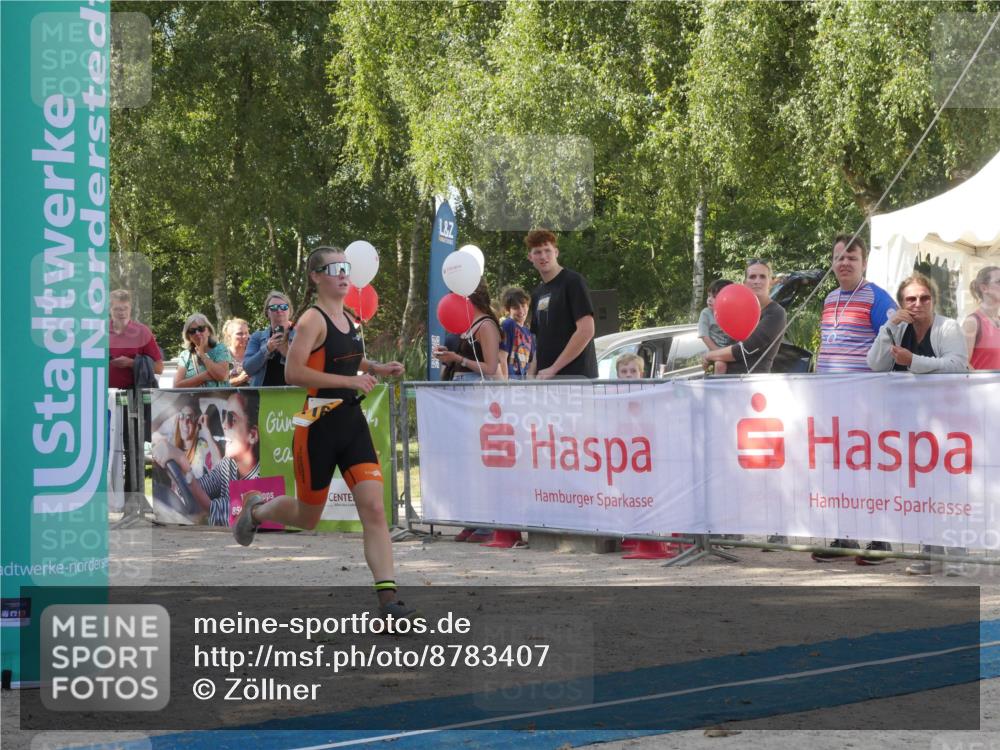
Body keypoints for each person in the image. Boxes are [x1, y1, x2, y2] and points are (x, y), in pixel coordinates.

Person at [231, 246, 413, 619]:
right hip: (316, 422)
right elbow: (294, 372)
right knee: (308, 517)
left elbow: (346, 356)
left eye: (345, 267)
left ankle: (389, 600)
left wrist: (376, 367)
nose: (343, 274)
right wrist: (351, 380)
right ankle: (257, 510)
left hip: (351, 420)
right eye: (334, 269)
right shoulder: (311, 319)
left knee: (374, 508)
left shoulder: (349, 318)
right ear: (315, 277)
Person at [867, 272, 970, 577]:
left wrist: (913, 360)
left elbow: (956, 365)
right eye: (910, 299)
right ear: (902, 303)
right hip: (910, 426)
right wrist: (888, 326)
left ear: (933, 300)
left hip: (948, 425)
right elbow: (875, 363)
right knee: (922, 492)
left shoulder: (947, 327)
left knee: (950, 491)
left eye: (924, 298)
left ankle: (958, 556)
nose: (918, 304)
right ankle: (930, 554)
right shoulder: (898, 329)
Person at [811, 234, 898, 565]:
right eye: (839, 257)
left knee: (872, 468)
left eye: (852, 257)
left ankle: (881, 540)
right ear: (832, 262)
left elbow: (893, 342)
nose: (845, 262)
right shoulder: (830, 298)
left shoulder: (877, 297)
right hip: (832, 404)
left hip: (866, 405)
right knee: (839, 470)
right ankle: (844, 536)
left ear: (864, 262)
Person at [152, 390, 261, 526]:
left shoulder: (261, 479)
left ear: (252, 435)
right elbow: (201, 488)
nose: (224, 425)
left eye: (232, 419)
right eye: (224, 416)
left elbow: (211, 511)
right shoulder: (229, 465)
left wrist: (183, 464)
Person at [525, 229, 597, 379]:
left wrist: (553, 368)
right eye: (537, 252)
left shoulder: (573, 282)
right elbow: (541, 339)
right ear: (530, 257)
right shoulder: (537, 293)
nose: (543, 256)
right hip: (546, 380)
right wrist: (532, 370)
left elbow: (586, 331)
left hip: (574, 378)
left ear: (556, 252)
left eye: (547, 250)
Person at [701, 259, 786, 374]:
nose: (757, 281)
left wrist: (709, 355)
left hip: (753, 382)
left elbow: (746, 349)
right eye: (752, 277)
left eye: (762, 277)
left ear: (770, 282)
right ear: (745, 283)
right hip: (725, 380)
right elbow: (726, 343)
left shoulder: (776, 313)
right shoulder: (737, 309)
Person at [433, 280, 505, 382]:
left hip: (475, 388)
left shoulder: (486, 325)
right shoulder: (470, 324)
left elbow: (491, 369)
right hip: (462, 387)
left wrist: (458, 358)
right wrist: (448, 356)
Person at [108, 289, 164, 389]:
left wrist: (131, 363)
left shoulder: (143, 332)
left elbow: (159, 368)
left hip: (133, 394)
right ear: (109, 309)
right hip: (101, 393)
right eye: (117, 309)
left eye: (125, 308)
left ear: (130, 308)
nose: (122, 312)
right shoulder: (99, 333)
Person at [244, 291, 295, 387]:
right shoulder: (257, 337)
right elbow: (248, 368)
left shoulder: (300, 335)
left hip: (294, 393)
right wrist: (267, 349)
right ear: (267, 312)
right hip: (262, 393)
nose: (279, 310)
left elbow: (309, 368)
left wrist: (287, 353)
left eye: (284, 307)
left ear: (289, 311)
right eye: (274, 307)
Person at [173, 314, 232, 388]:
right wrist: (204, 376)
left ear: (209, 331)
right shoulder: (185, 355)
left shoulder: (220, 349)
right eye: (192, 331)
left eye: (201, 329)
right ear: (188, 336)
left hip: (219, 396)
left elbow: (222, 376)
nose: (197, 333)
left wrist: (202, 355)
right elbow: (177, 386)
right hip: (194, 396)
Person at [963, 266, 1000, 370]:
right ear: (984, 288)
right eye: (999, 282)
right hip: (980, 381)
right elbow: (962, 363)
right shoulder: (972, 322)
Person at [698, 279, 735, 375]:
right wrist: (718, 352)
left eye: (714, 297)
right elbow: (704, 336)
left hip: (730, 351)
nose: (709, 299)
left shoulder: (732, 313)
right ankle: (718, 384)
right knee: (720, 364)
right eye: (709, 295)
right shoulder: (706, 313)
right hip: (714, 351)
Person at [499, 287, 536, 379]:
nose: (521, 311)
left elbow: (531, 361)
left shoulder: (529, 332)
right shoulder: (508, 324)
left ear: (528, 306)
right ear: (508, 310)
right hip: (510, 380)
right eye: (515, 308)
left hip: (523, 381)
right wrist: (504, 383)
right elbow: (502, 357)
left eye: (523, 306)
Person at [221, 318, 251, 386]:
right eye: (240, 333)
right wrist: (239, 379)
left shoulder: (253, 353)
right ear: (229, 336)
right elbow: (218, 384)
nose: (245, 336)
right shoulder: (222, 355)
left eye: (246, 333)